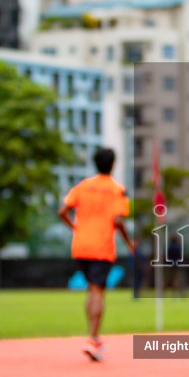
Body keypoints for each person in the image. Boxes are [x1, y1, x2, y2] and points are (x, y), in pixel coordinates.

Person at [58, 147, 134, 362]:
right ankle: (93, 338)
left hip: (80, 245)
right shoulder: (117, 189)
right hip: (101, 246)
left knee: (92, 290)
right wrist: (129, 243)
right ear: (113, 164)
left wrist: (74, 227)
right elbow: (118, 220)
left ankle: (93, 337)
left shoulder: (83, 186)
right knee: (97, 292)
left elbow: (61, 210)